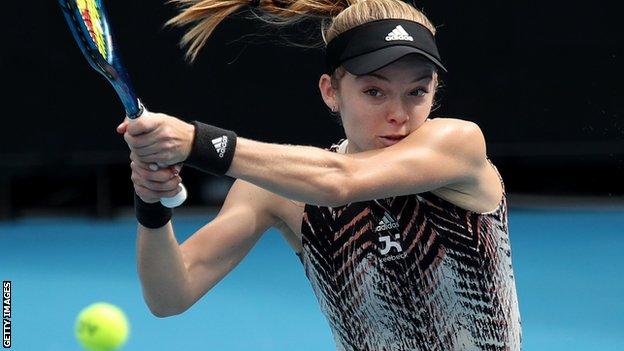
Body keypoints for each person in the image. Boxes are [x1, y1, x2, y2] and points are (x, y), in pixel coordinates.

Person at [116, 0, 522, 349]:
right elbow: (170, 295)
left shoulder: (459, 144)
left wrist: (196, 142)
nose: (398, 114)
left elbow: (338, 182)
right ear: (331, 91)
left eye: (417, 91)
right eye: (374, 92)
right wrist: (152, 203)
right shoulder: (276, 193)